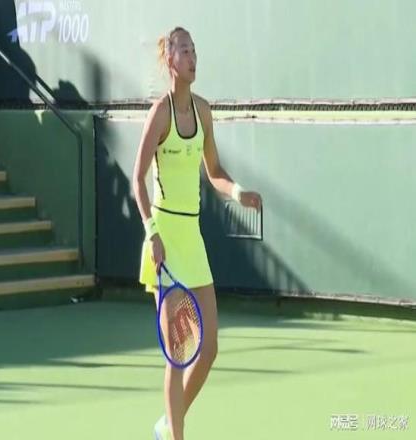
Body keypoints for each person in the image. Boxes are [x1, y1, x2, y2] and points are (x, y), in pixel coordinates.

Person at [132, 27, 261, 440]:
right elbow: (137, 179)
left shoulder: (204, 111)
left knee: (209, 349)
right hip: (164, 239)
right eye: (184, 51)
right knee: (177, 353)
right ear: (170, 61)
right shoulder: (160, 113)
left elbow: (214, 171)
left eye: (194, 50)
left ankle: (168, 424)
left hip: (193, 238)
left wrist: (238, 193)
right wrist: (152, 233)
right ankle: (177, 435)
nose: (192, 57)